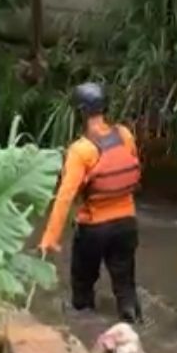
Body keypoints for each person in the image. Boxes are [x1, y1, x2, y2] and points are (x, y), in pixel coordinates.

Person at [39, 82, 143, 323]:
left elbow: (65, 197)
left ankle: (84, 329)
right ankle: (132, 319)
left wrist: (50, 237)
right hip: (127, 223)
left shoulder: (80, 150)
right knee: (125, 285)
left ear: (80, 113)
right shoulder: (125, 135)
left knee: (82, 288)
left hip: (94, 228)